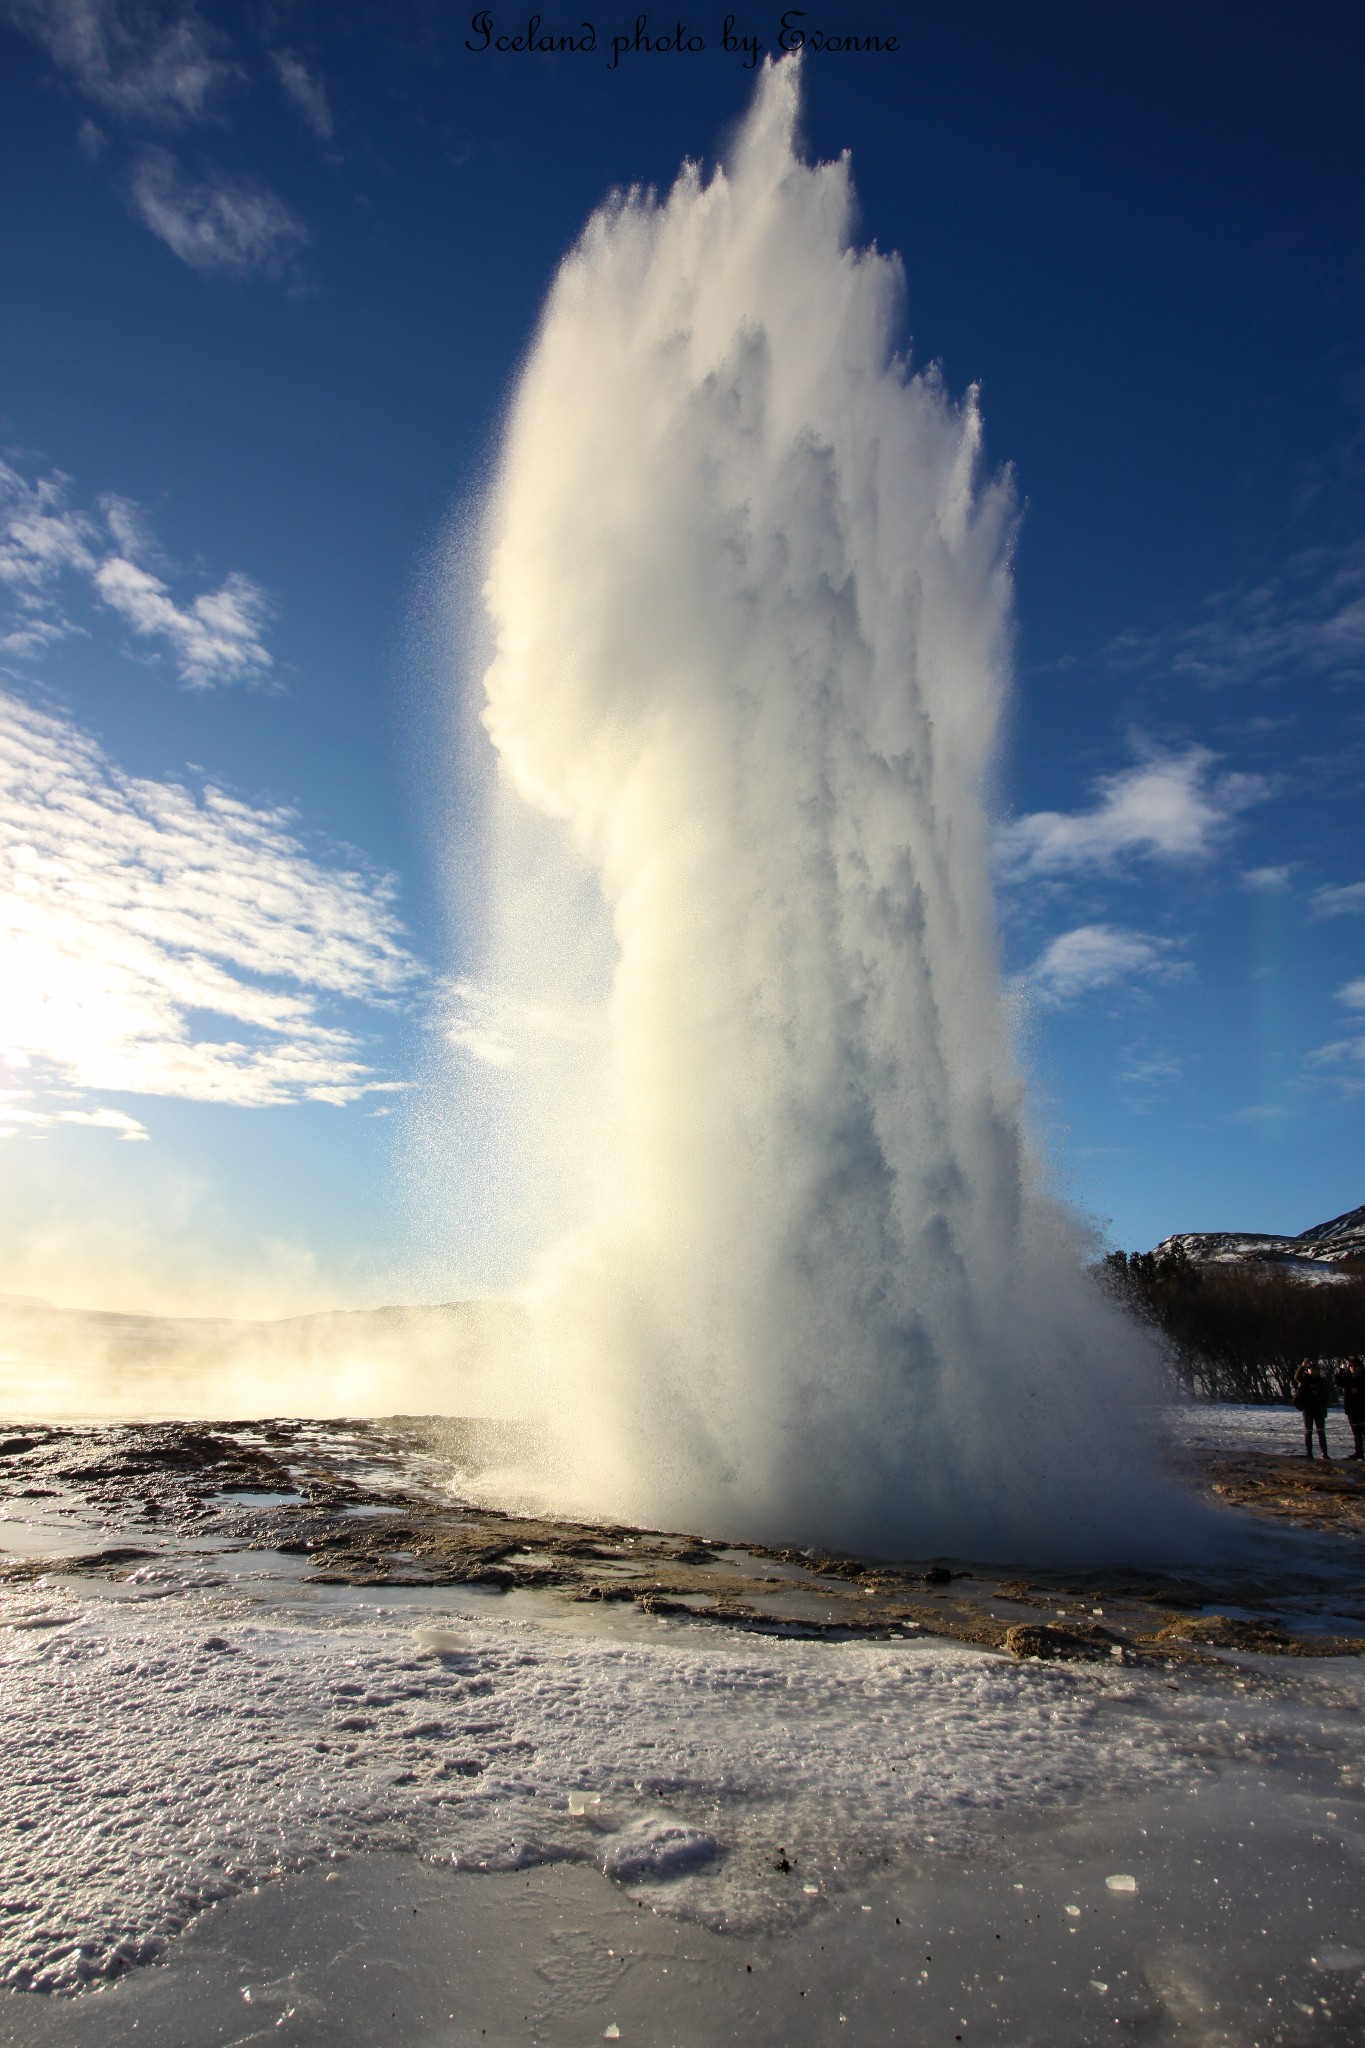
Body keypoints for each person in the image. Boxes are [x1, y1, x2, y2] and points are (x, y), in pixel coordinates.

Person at [1291, 1357, 1332, 1459]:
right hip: (1307, 1408)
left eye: (1314, 1370)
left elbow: (1326, 1394)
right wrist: (1303, 1366)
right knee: (1308, 1431)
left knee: (1321, 1431)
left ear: (1318, 1371)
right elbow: (1297, 1376)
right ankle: (1309, 1452)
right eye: (1310, 1369)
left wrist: (1318, 1393)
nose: (1312, 1371)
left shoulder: (1322, 1381)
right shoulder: (1305, 1379)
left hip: (1319, 1408)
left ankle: (1324, 1452)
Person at [1338, 1355, 1365, 1461]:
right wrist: (1341, 1371)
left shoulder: (1363, 1376)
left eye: (1355, 1366)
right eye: (1351, 1366)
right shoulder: (1348, 1376)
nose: (1353, 1368)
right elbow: (1339, 1382)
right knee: (1356, 1433)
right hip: (1351, 1409)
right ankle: (1359, 1452)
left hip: (1363, 1409)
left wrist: (1359, 1390)